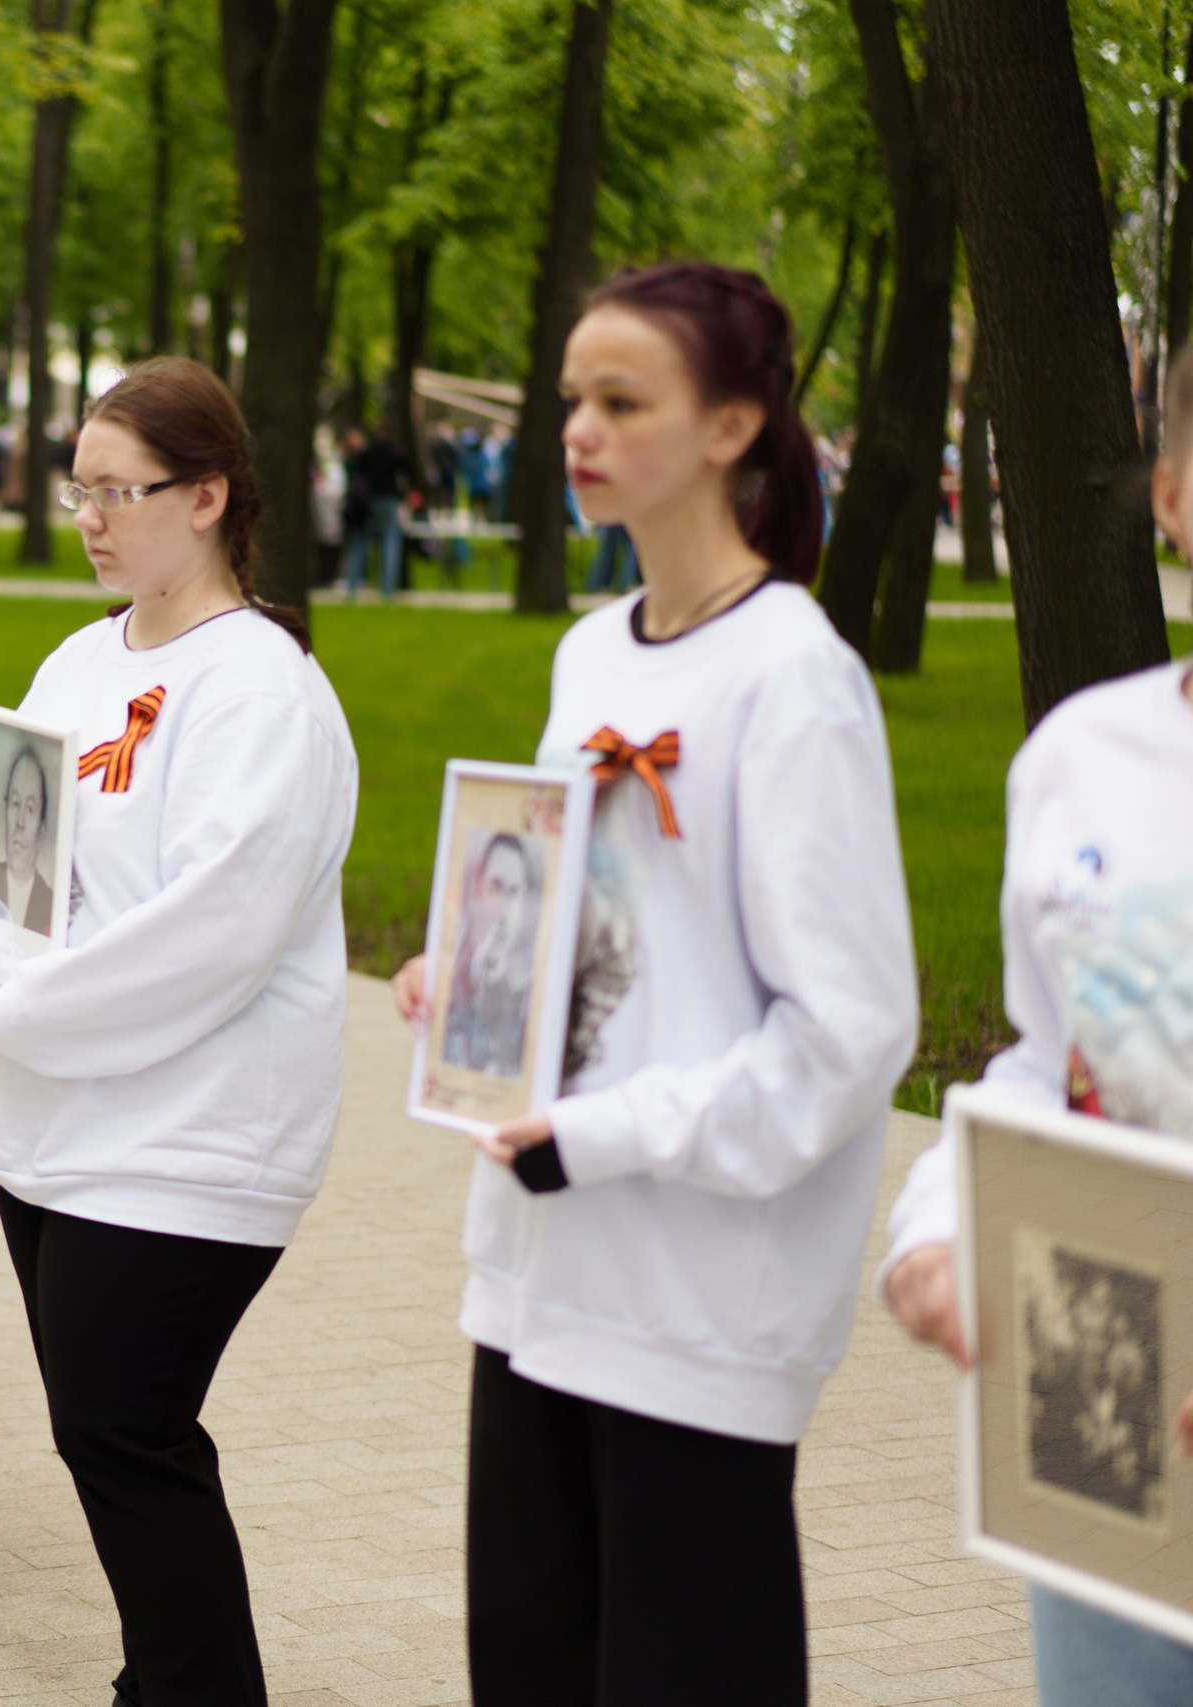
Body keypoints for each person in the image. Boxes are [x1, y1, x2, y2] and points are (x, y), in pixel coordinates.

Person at [389, 263, 917, 1706]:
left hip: (696, 1298)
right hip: (542, 1273)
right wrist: (476, 980)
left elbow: (851, 1029)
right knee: (532, 1663)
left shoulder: (794, 676)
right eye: (572, 397)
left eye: (623, 400)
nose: (578, 428)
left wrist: (607, 1133)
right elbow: (589, 920)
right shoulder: (586, 651)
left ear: (735, 424)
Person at [0, 357, 357, 1705]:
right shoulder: (77, 659)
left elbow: (211, 927)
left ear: (211, 497)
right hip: (52, 1124)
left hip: (194, 1131)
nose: (92, 518)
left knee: (127, 1424)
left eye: (123, 491)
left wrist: (18, 1006)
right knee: (103, 1429)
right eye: (82, 490)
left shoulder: (261, 689)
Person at [879, 345, 1193, 1707]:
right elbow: (1039, 1052)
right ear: (1175, 498)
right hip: (1107, 1413)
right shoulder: (1084, 758)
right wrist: (943, 1219)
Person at [442, 832, 538, 1078]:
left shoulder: (531, 999)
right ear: (477, 889)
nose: (505, 908)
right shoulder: (452, 986)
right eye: (496, 887)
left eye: (514, 892)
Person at [0, 744, 54, 934]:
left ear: (42, 827)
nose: (20, 821)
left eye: (30, 808)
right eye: (15, 803)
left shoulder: (52, 903)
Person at [341, 425, 412, 598]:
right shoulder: (396, 452)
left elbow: (360, 473)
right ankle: (387, 587)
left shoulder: (369, 452)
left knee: (361, 541)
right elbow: (406, 472)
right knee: (390, 541)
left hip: (369, 501)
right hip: (388, 499)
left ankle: (351, 585)